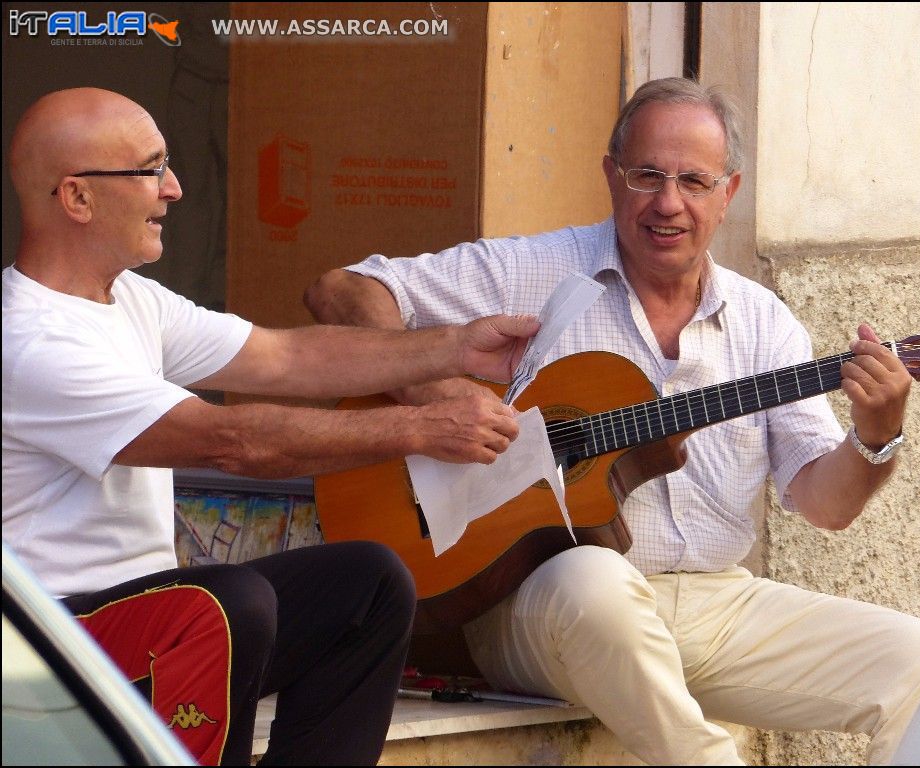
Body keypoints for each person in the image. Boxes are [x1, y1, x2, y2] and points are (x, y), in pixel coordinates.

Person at [303, 77, 920, 765]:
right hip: (541, 602)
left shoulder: (764, 322)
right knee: (598, 583)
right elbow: (342, 292)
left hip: (712, 605)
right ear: (611, 177)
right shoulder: (535, 269)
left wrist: (876, 434)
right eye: (647, 176)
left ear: (727, 195)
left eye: (694, 182)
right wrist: (441, 401)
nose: (668, 204)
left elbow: (825, 504)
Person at [1, 87, 540, 767]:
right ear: (76, 198)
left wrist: (456, 346)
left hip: (143, 624)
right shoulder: (27, 341)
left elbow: (287, 356)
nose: (173, 188)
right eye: (149, 168)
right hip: (44, 646)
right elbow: (232, 441)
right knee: (228, 604)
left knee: (369, 582)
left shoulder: (129, 299)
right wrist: (420, 427)